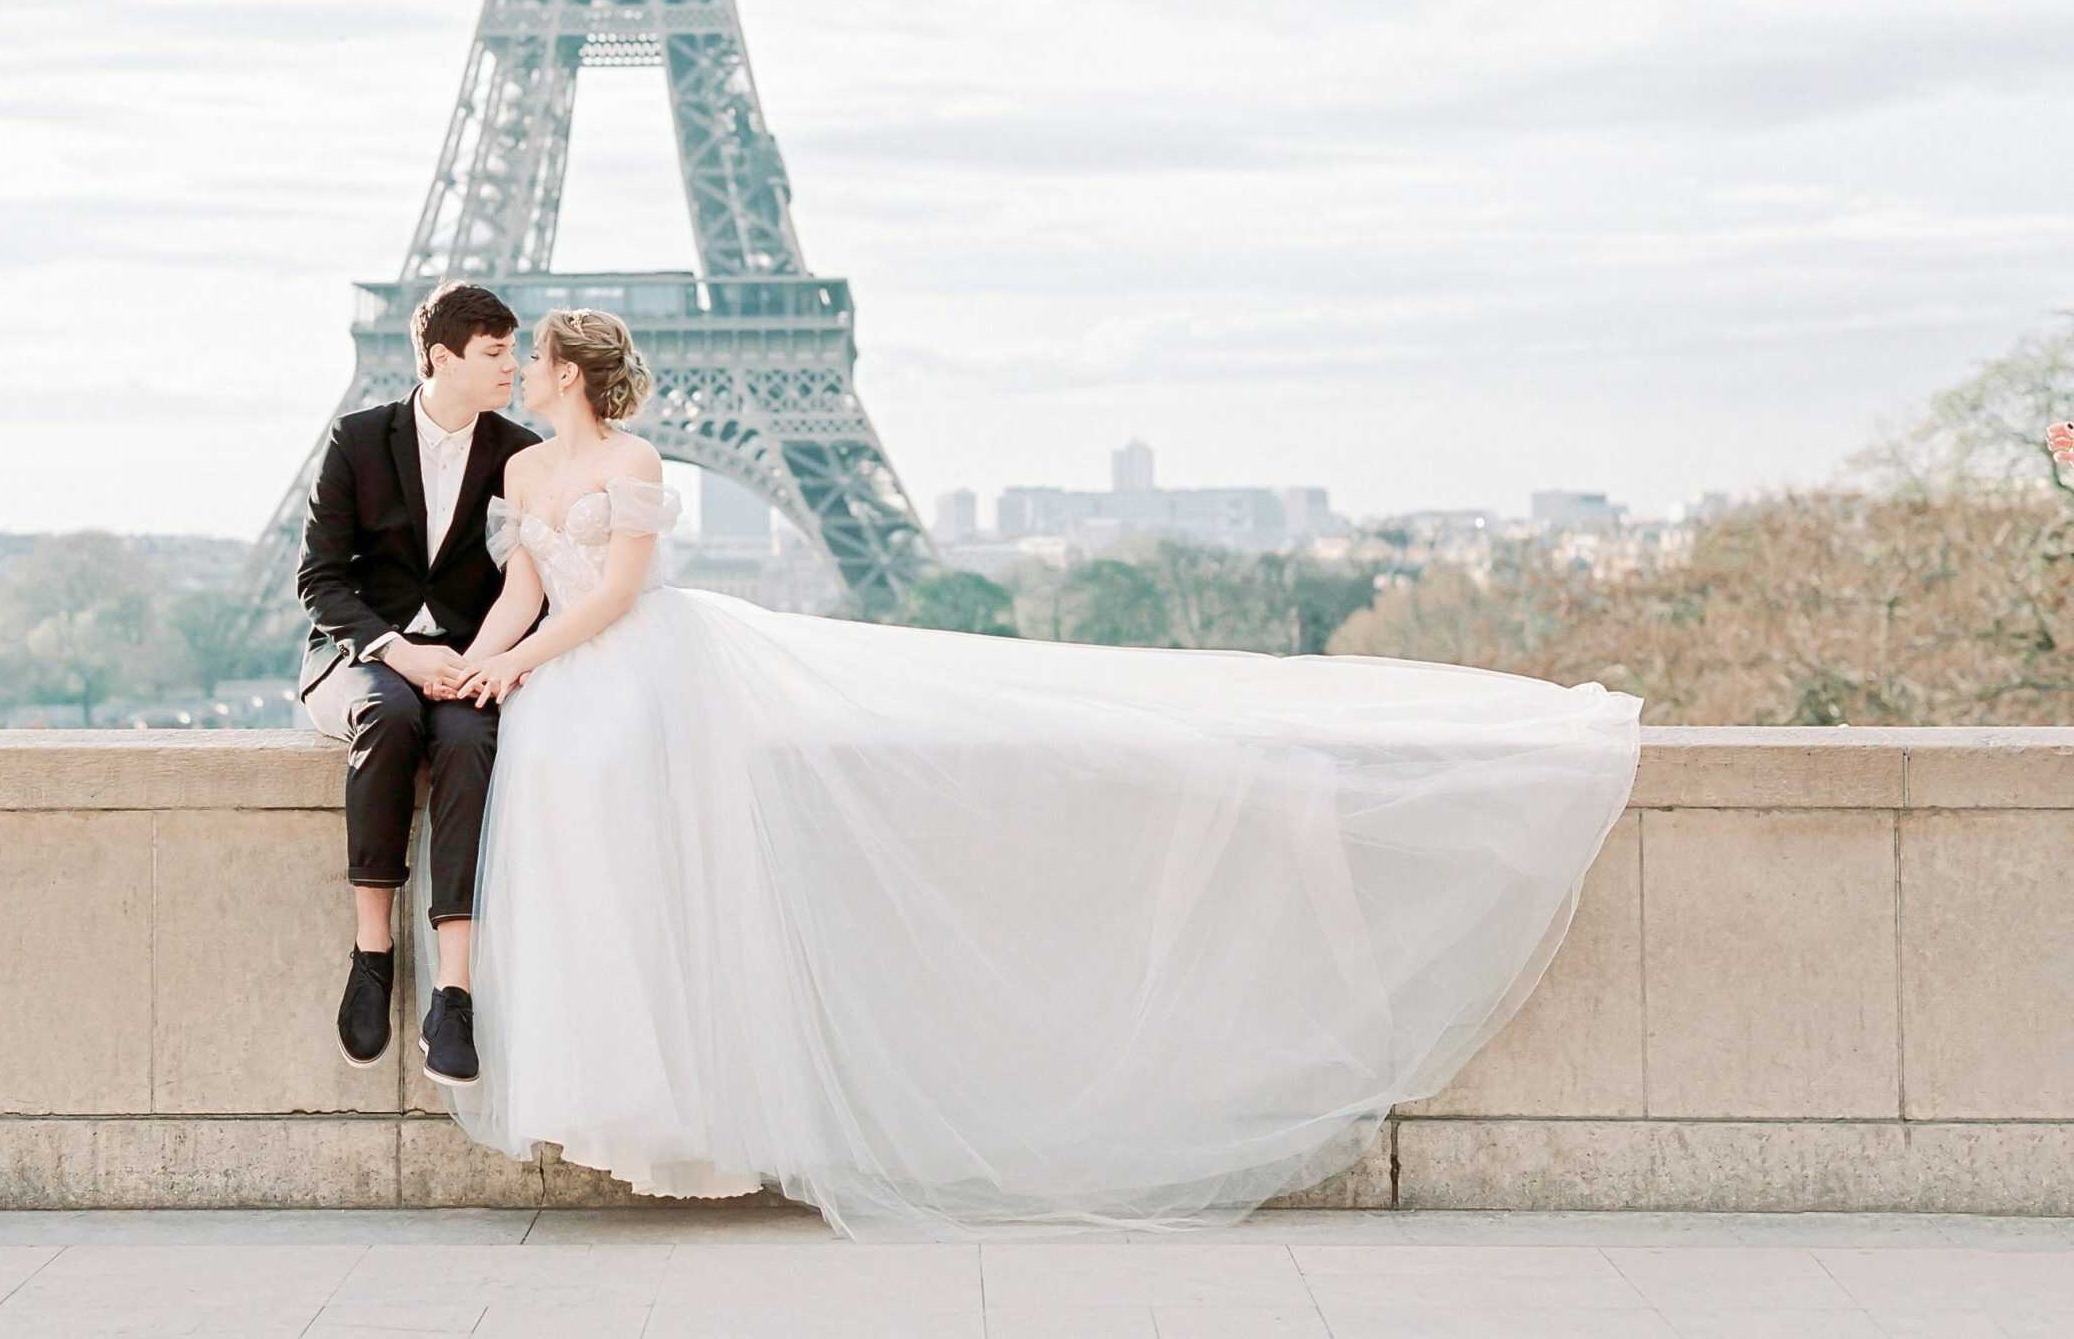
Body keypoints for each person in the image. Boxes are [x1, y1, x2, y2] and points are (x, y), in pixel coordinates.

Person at [390, 307, 1644, 1240]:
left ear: (569, 372)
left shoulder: (636, 465)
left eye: (534, 353)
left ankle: (681, 1104)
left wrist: (516, 669)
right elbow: (524, 585)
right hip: (560, 688)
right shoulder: (523, 468)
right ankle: (613, 1090)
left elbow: (611, 594)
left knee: (656, 877)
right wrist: (471, 666)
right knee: (583, 881)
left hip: (633, 675)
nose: (522, 366)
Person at [293, 280, 543, 1087]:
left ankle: (453, 987)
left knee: (472, 738)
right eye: (497, 353)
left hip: (472, 658)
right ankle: (374, 951)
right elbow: (320, 581)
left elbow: (529, 586)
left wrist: (477, 663)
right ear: (442, 356)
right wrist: (398, 651)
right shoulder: (359, 439)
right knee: (388, 712)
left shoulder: (519, 451)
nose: (516, 364)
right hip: (370, 658)